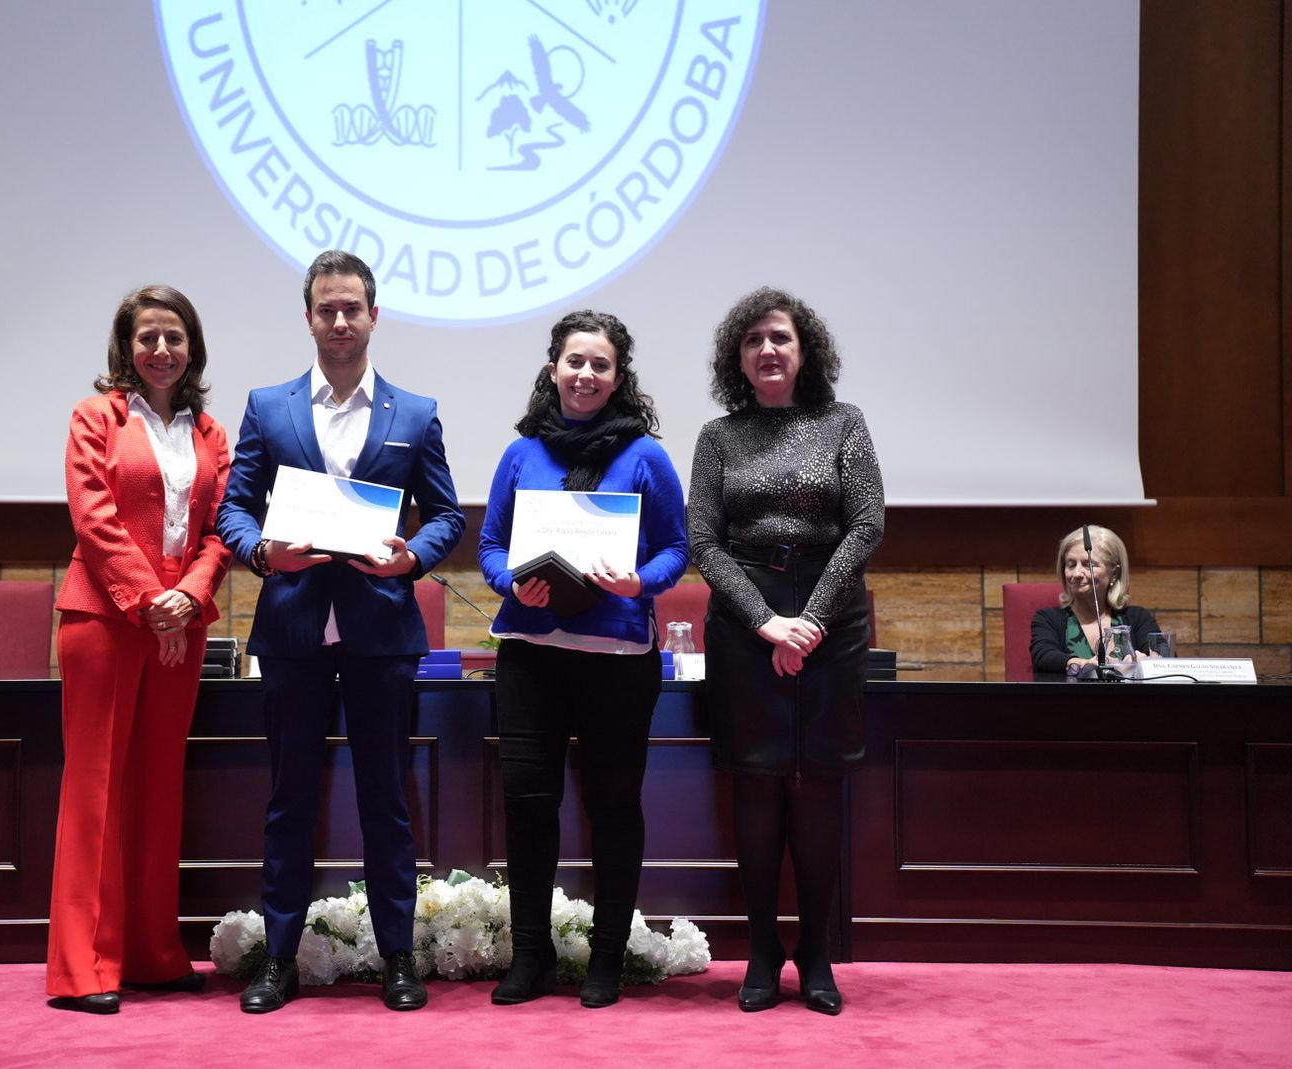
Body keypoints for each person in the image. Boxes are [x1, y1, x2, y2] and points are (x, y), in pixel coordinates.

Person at [217, 250, 464, 1013]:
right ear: (309, 317)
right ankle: (278, 960)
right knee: (289, 802)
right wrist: (262, 550)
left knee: (387, 803)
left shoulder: (414, 413)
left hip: (381, 633)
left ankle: (398, 959)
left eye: (352, 307)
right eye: (327, 308)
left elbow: (449, 515)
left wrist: (411, 558)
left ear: (374, 314)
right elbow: (234, 508)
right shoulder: (267, 406)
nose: (340, 320)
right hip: (292, 630)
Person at [478, 310, 689, 1009]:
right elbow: (489, 546)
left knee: (613, 806)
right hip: (530, 656)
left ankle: (606, 957)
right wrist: (512, 580)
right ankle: (531, 956)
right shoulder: (521, 454)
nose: (586, 374)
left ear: (618, 377)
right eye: (575, 361)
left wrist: (640, 581)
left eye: (600, 364)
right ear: (552, 368)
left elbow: (675, 548)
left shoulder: (645, 456)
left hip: (618, 657)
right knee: (529, 806)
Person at [687, 287, 884, 1016]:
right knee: (759, 785)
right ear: (737, 358)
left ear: (806, 352)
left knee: (819, 785)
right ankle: (764, 947)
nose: (767, 350)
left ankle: (818, 950)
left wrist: (809, 620)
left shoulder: (844, 423)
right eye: (753, 341)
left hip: (832, 621)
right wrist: (769, 621)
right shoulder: (718, 435)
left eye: (781, 338)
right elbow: (702, 540)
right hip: (745, 624)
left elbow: (865, 526)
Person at [48, 285, 232, 1014]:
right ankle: (82, 966)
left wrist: (188, 594)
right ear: (125, 347)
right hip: (104, 620)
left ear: (193, 348)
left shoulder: (211, 432)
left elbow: (220, 528)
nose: (161, 350)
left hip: (181, 625)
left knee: (159, 785)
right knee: (96, 788)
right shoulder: (95, 417)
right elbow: (93, 518)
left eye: (174, 337)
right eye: (147, 337)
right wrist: (149, 599)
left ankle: (154, 952)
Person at [1030, 525, 1161, 676]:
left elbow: (1165, 662)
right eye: (1071, 565)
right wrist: (1082, 664)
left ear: (1114, 573)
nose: (1077, 573)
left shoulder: (1138, 618)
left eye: (1089, 565)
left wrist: (1147, 662)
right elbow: (1043, 655)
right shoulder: (1048, 619)